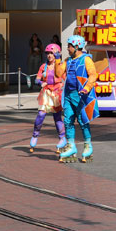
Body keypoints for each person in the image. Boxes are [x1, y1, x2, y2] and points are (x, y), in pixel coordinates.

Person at [60, 35, 99, 163]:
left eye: (69, 46)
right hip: (68, 95)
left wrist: (87, 88)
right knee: (68, 120)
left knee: (83, 121)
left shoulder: (86, 59)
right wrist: (56, 59)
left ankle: (88, 146)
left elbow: (93, 75)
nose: (67, 48)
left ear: (76, 46)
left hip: (80, 95)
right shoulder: (68, 60)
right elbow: (58, 73)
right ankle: (71, 145)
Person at [30, 44, 65, 153]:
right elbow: (37, 79)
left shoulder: (61, 66)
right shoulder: (43, 66)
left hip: (56, 93)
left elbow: (66, 78)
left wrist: (64, 85)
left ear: (57, 54)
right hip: (46, 93)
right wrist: (41, 82)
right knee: (41, 114)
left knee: (57, 117)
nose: (49, 55)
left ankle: (62, 138)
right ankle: (35, 135)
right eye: (48, 53)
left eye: (52, 53)